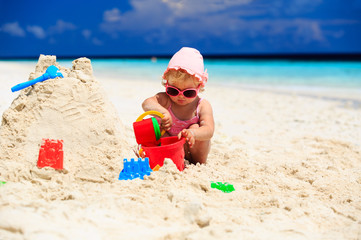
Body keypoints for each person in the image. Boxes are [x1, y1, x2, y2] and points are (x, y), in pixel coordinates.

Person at [142, 47, 214, 164]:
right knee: (155, 124)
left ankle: (196, 161)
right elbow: (146, 103)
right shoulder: (166, 99)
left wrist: (193, 134)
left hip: (193, 152)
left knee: (195, 127)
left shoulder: (202, 105)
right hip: (169, 150)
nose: (180, 96)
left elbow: (209, 130)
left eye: (188, 92)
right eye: (173, 91)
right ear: (166, 84)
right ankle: (160, 157)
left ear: (199, 88)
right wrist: (162, 112)